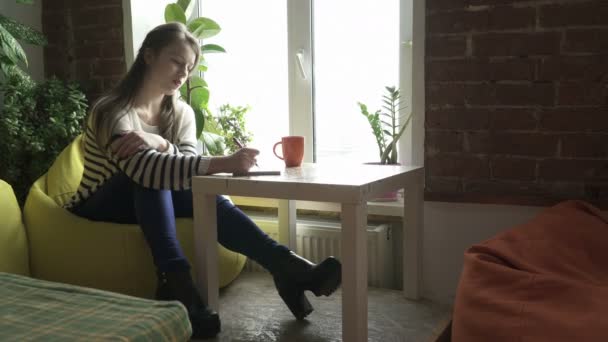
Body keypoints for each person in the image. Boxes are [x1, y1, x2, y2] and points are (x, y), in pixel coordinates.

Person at [65, 22, 342, 339]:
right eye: (176, 61)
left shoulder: (180, 112)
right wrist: (224, 162)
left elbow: (186, 171)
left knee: (201, 192)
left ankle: (285, 267)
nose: (183, 73)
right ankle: (179, 279)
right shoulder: (111, 110)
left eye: (189, 67)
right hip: (98, 202)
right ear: (149, 56)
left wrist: (160, 143)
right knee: (150, 180)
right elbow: (145, 171)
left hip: (148, 194)